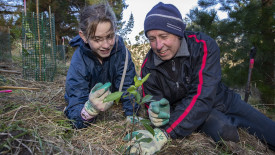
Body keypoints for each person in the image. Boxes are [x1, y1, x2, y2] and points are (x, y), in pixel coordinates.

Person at [124, 2, 275, 154]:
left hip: (223, 100)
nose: (158, 45)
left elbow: (202, 95)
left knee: (271, 132)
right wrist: (156, 112)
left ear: (178, 32)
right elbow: (152, 100)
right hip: (186, 111)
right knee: (225, 132)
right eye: (151, 39)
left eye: (164, 36)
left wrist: (166, 132)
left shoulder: (203, 45)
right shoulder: (148, 67)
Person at [64, 3, 138, 129]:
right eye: (97, 39)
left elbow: (128, 87)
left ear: (115, 30)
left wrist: (132, 116)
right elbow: (75, 102)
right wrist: (89, 110)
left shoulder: (122, 54)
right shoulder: (79, 60)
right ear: (84, 37)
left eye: (110, 36)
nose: (106, 45)